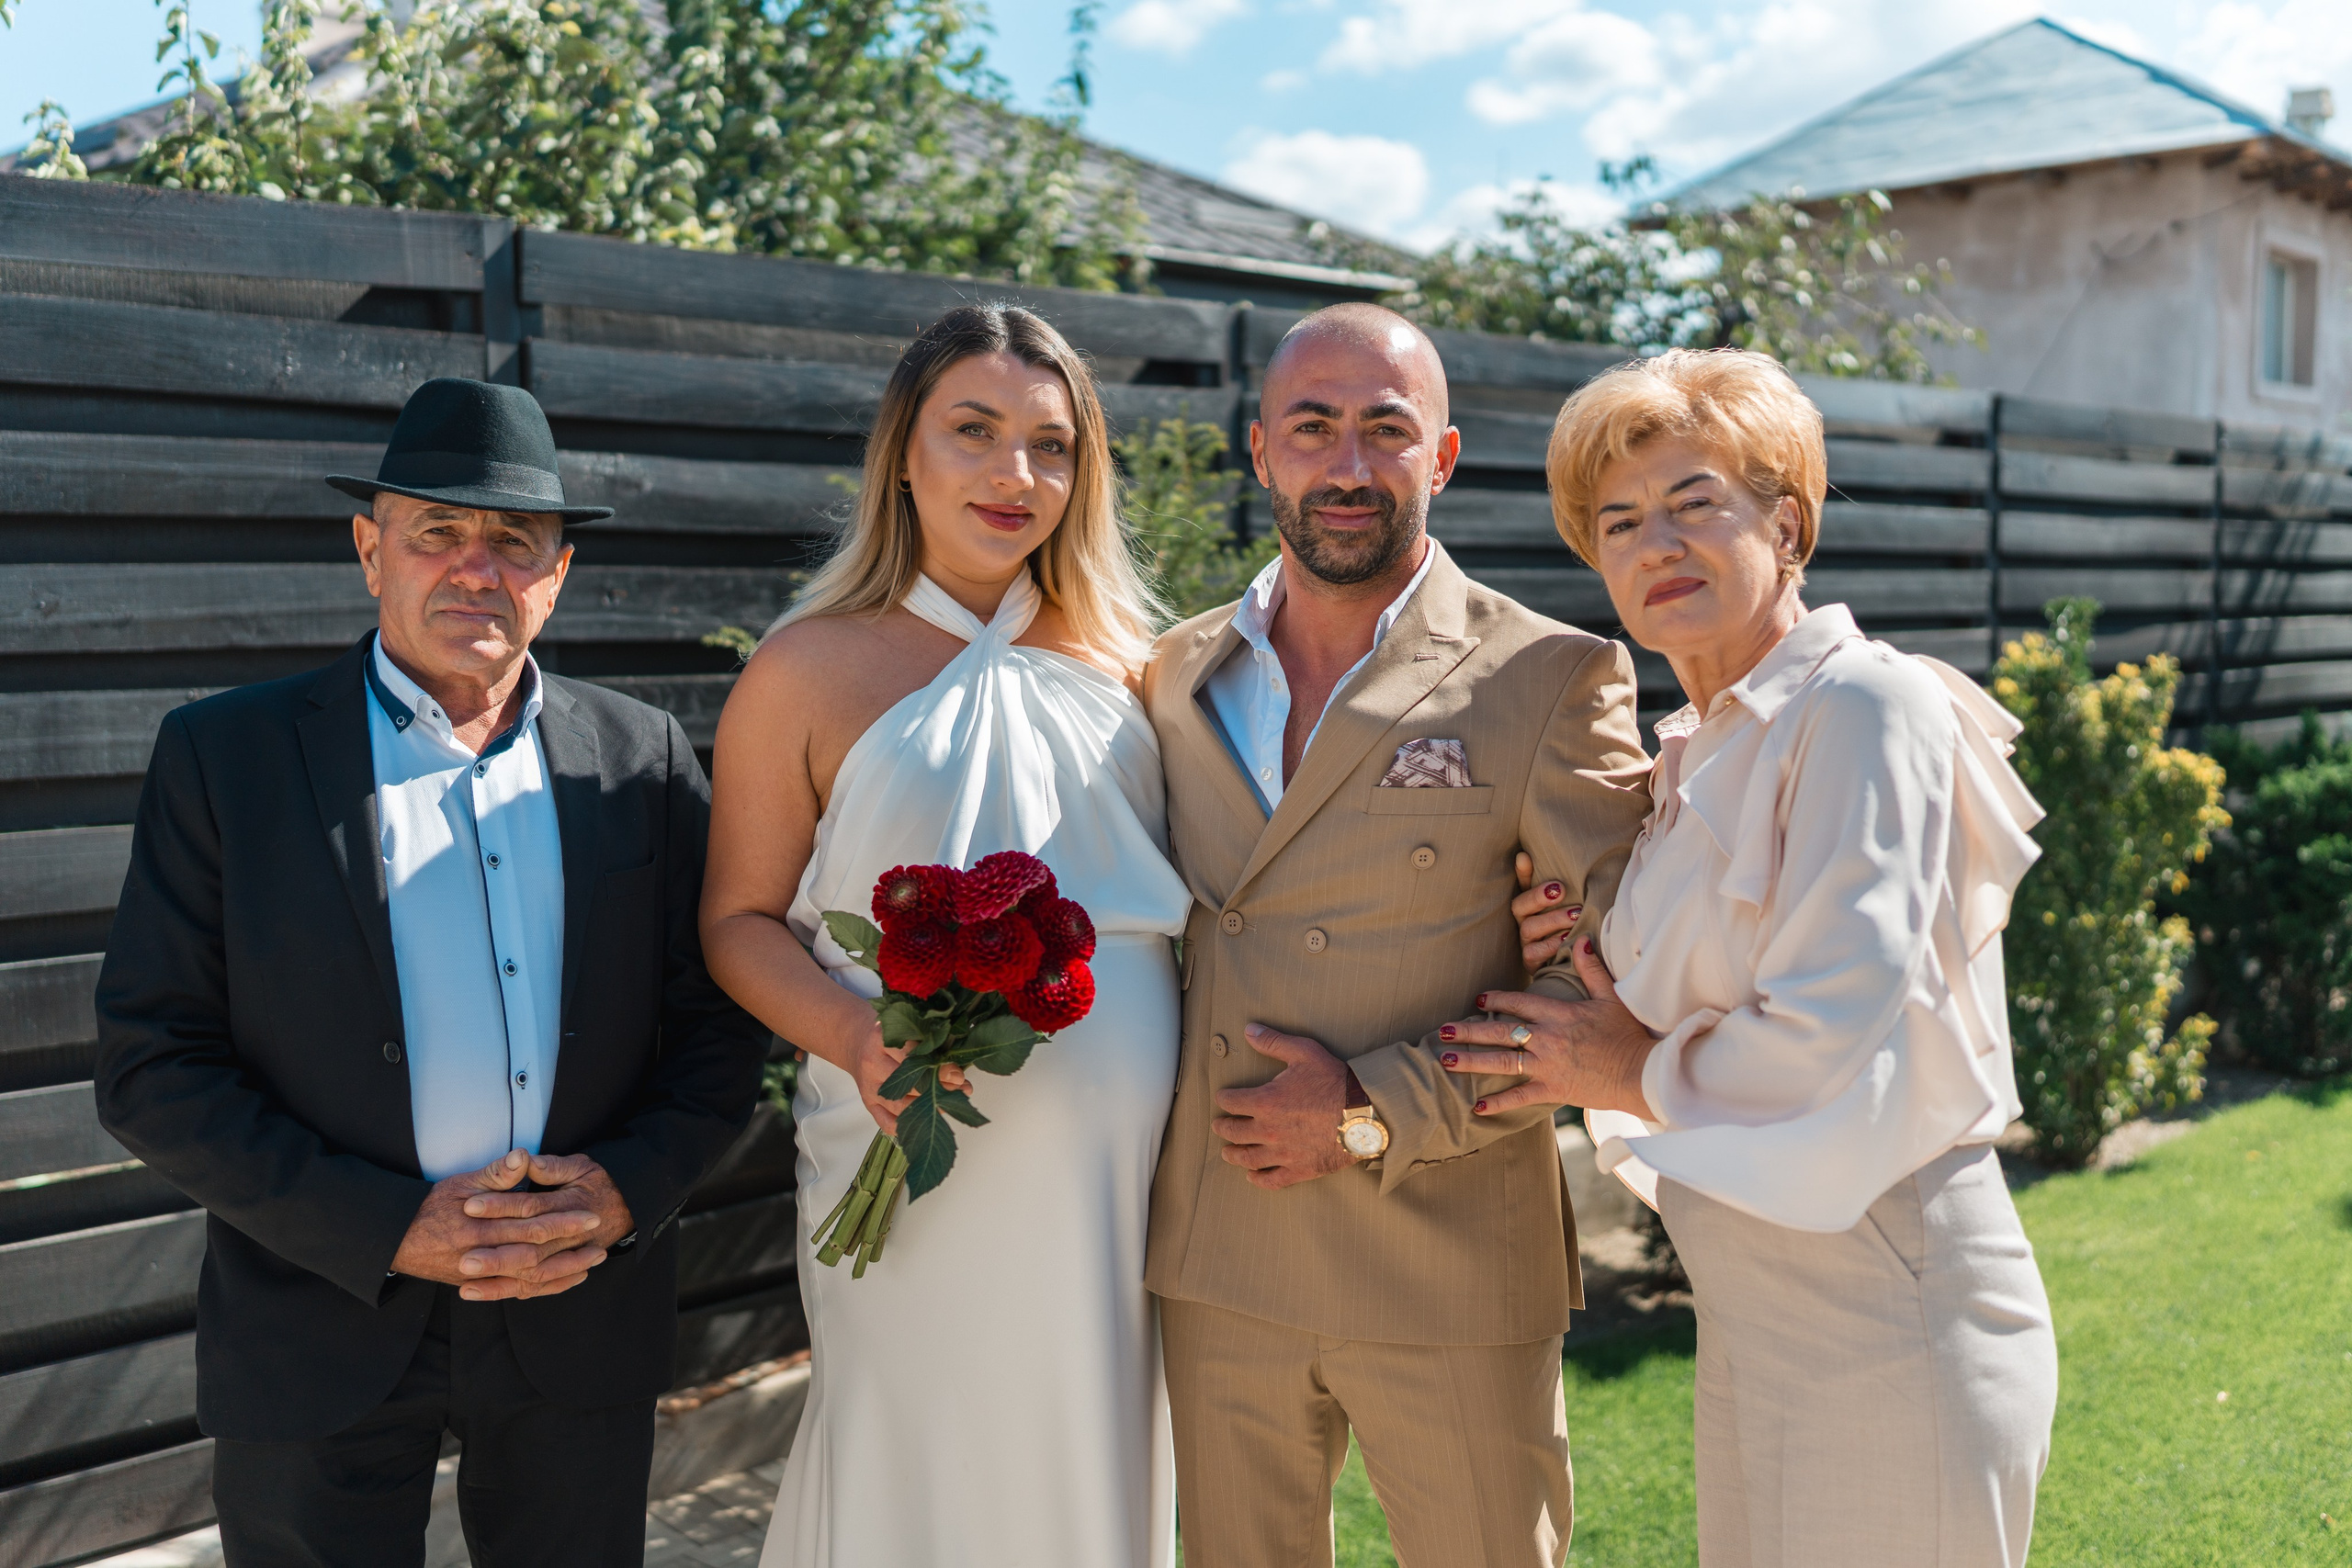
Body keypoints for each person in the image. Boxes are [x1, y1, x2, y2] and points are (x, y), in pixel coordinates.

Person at [94, 378, 769, 1568]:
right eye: (438, 533)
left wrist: (621, 1194)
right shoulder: (225, 758)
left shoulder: (642, 760)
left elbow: (715, 1026)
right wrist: (387, 1224)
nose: (478, 569)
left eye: (516, 542)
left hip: (578, 1305)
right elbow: (154, 1065)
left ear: (558, 575)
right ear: (370, 549)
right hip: (320, 1313)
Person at [1448, 348, 2059, 1567]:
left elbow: (1826, 1023)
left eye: (1694, 504)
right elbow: (1686, 992)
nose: (1654, 544)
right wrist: (1582, 959)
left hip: (1887, 1286)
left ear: (1786, 523)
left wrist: (1614, 1068)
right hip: (1751, 1300)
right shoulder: (1696, 752)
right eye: (1618, 522)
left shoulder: (1861, 705)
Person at [1141, 303, 1655, 1568]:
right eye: (1314, 428)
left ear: (1444, 455)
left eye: (1387, 429)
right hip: (1221, 1254)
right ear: (1261, 452)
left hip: (1448, 1255)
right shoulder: (1167, 675)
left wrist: (1368, 1111)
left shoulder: (1551, 677)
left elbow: (1601, 995)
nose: (1351, 464)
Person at [700, 304, 1190, 1568]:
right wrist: (860, 1036)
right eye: (974, 432)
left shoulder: (1143, 667)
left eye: (1052, 445)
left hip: (1123, 1178)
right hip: (905, 1162)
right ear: (902, 455)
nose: (1015, 475)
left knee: (1098, 1453)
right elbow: (739, 924)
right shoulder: (806, 668)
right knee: (916, 1450)